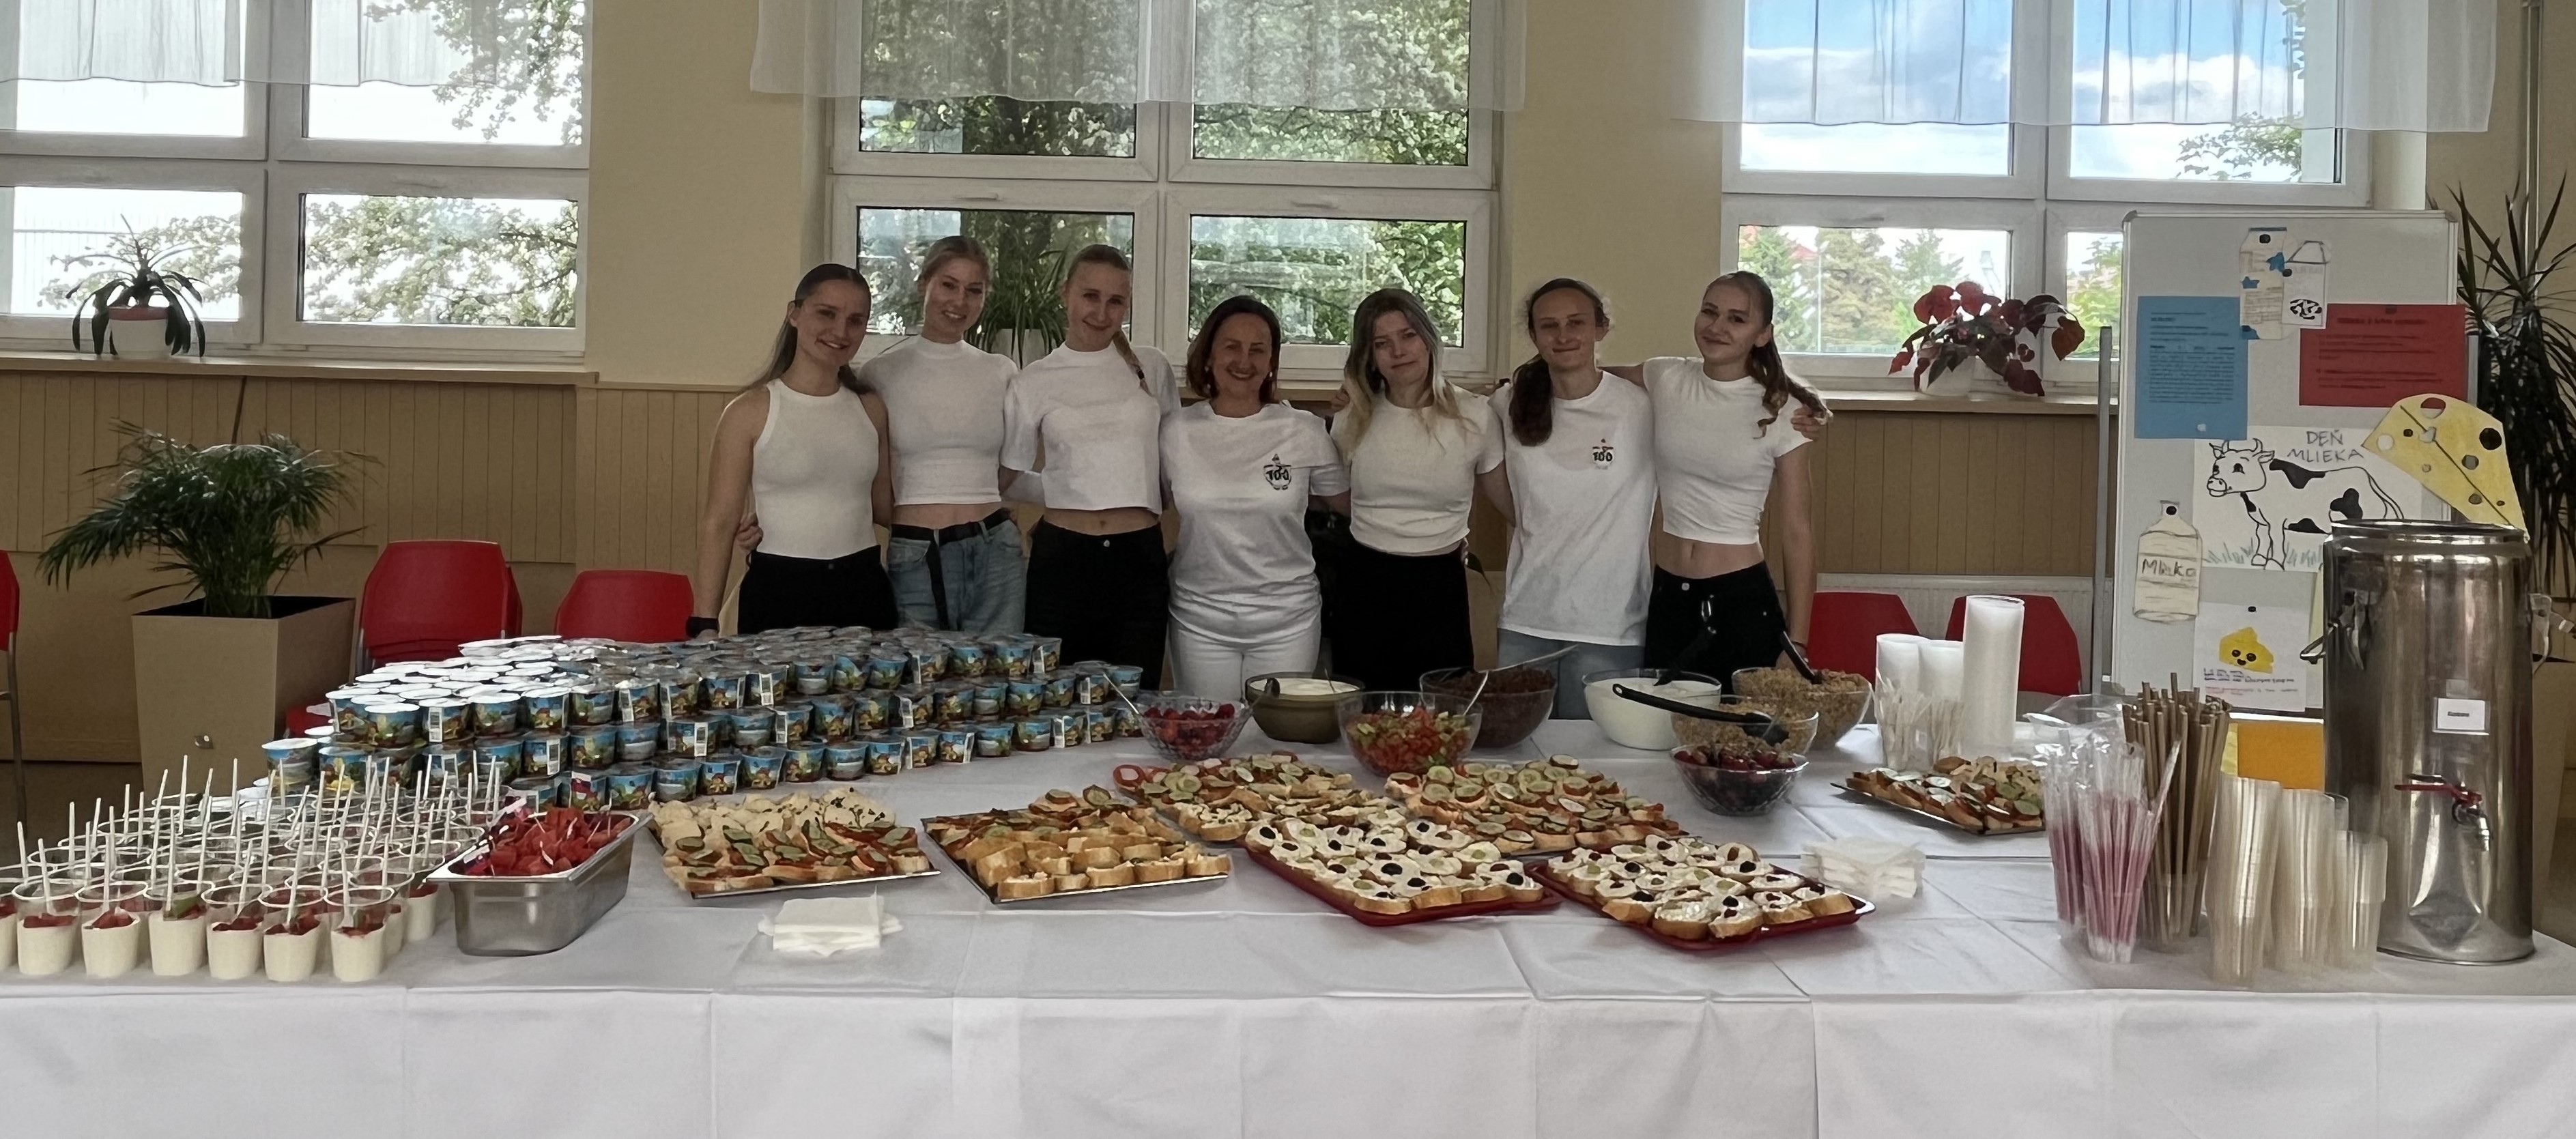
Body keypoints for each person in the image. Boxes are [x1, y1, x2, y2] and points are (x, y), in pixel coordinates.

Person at [1626, 270, 1829, 683]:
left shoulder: (1785, 410)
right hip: (1668, 596)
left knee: (1738, 724)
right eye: (1709, 312)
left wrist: (1798, 641)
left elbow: (1798, 531)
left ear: (1763, 334)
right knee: (1661, 720)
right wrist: (1521, 383)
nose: (1717, 326)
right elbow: (1586, 380)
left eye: (1737, 319)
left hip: (1741, 599)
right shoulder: (1665, 377)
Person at [1003, 244, 1182, 684]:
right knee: (1057, 695)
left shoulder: (1150, 367)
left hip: (1138, 557)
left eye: (1115, 301)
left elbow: (1176, 458)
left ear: (1128, 304)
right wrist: (1070, 488)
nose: (1102, 313)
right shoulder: (1033, 380)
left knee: (1135, 696)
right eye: (1090, 296)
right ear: (1065, 293)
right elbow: (1009, 477)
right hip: (1063, 558)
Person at [690, 263, 898, 635]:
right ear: (794, 314)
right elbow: (719, 522)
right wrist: (705, 623)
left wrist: (980, 507)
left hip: (863, 588)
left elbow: (885, 508)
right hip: (779, 590)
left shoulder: (871, 408)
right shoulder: (749, 411)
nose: (841, 331)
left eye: (856, 321)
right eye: (827, 314)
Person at [1161, 297, 1350, 700]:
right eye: (1231, 346)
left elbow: (1351, 505)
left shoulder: (1304, 430)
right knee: (1210, 732)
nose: (1244, 361)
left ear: (1271, 362)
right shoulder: (1175, 431)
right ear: (1208, 356)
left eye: (1258, 349)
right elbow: (1145, 504)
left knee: (1273, 736)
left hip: (1288, 621)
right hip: (1199, 619)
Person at [1484, 279, 1655, 717]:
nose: (1563, 336)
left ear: (1601, 328)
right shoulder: (1507, 404)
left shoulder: (1643, 406)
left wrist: (1792, 404)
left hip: (1611, 625)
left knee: (1598, 753)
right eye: (1549, 326)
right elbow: (1498, 485)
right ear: (1534, 335)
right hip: (1526, 618)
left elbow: (1718, 394)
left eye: (1576, 323)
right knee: (1518, 749)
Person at [1326, 288, 1503, 693]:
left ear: (1429, 338)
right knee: (1362, 712)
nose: (1398, 351)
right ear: (1369, 355)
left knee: (1441, 712)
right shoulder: (1352, 415)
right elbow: (1335, 496)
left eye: (1408, 336)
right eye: (1382, 343)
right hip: (1364, 582)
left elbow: (1509, 504)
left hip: (1439, 586)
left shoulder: (1475, 416)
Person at [857, 236, 1025, 634]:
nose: (960, 301)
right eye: (949, 285)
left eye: (974, 291)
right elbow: (863, 471)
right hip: (916, 551)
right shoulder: (879, 373)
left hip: (995, 550)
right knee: (919, 670)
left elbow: (1013, 462)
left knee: (999, 669)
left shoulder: (1002, 371)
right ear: (924, 284)